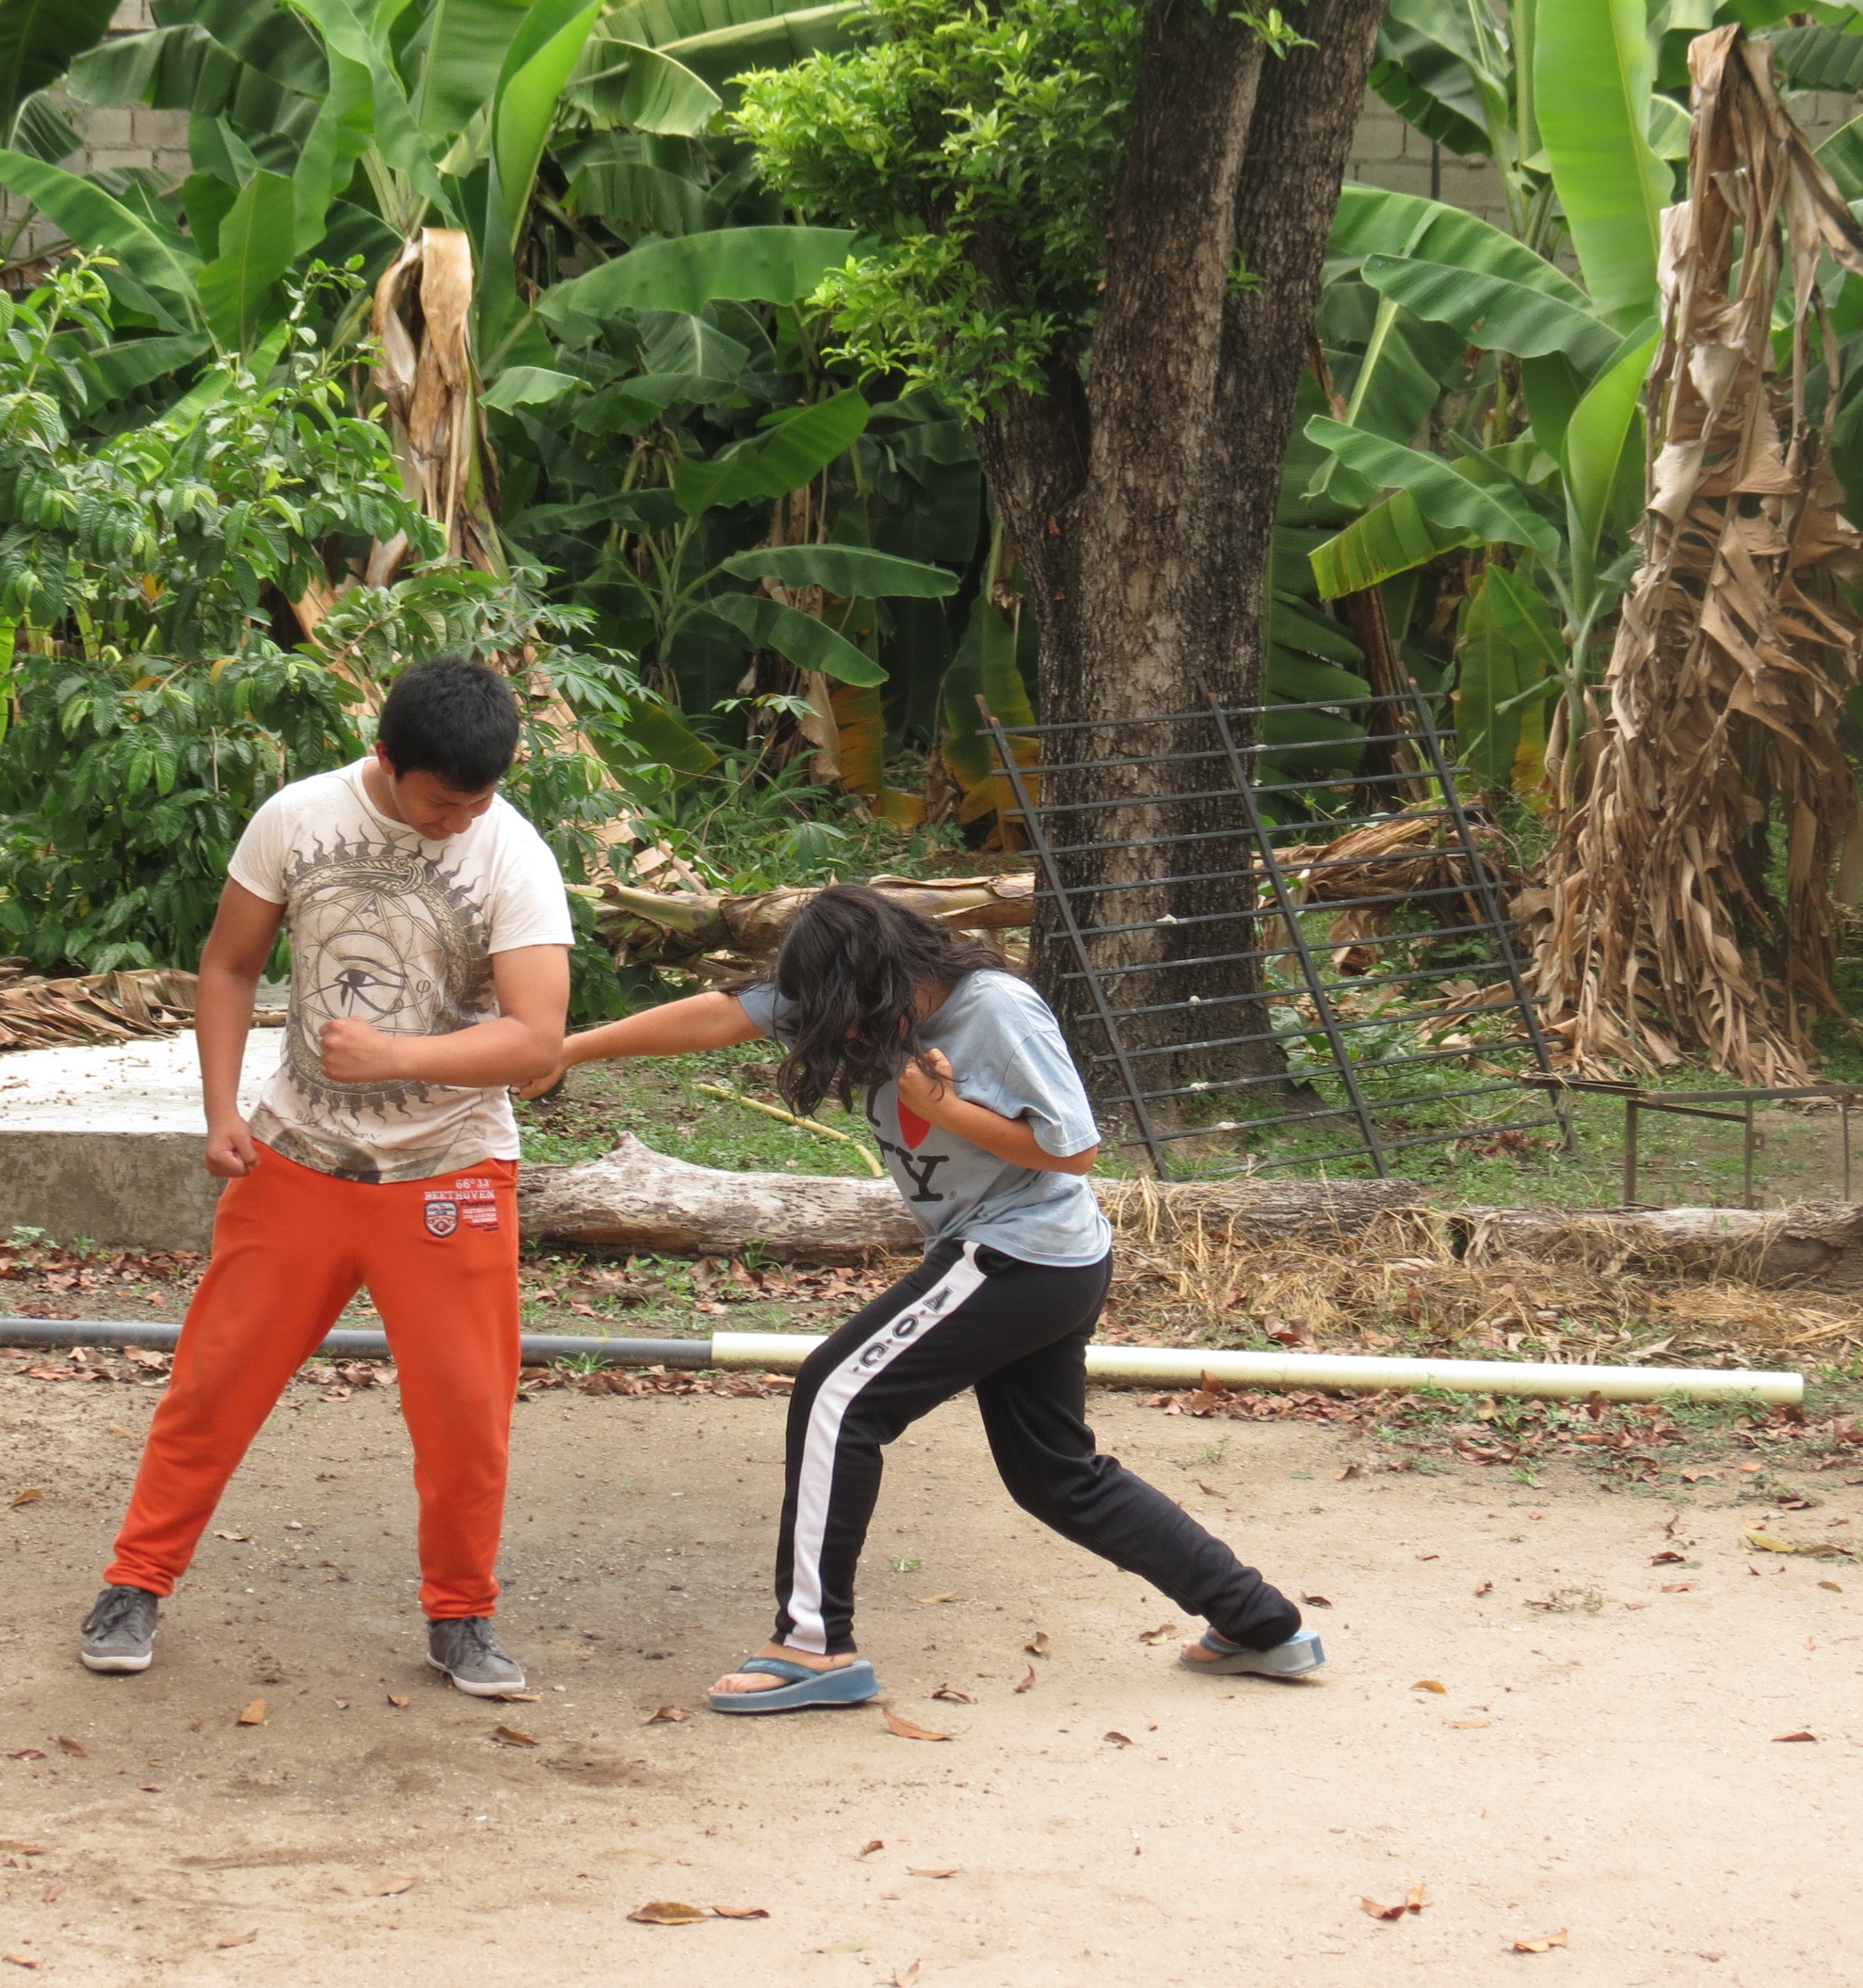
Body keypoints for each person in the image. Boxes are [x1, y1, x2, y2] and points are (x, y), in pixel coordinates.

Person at [519, 884, 1323, 1714]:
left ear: (891, 975)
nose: (846, 1037)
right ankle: (1257, 1621)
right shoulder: (851, 997)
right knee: (1054, 1474)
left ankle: (811, 1645)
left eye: (852, 1018)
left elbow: (1073, 1150)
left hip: (1022, 1253)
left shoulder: (996, 1010)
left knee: (836, 1395)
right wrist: (571, 1049)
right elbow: (718, 1016)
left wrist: (942, 1108)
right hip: (1034, 1261)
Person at [76, 656, 572, 1698]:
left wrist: (396, 1057)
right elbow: (228, 965)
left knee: (466, 1415)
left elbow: (537, 1040)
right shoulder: (297, 818)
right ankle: (135, 1583)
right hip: (295, 1160)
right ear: (385, 759)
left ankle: (461, 1615)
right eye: (440, 803)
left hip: (451, 1170)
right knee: (213, 1385)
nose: (457, 821)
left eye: (477, 801)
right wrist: (220, 1110)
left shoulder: (512, 853)